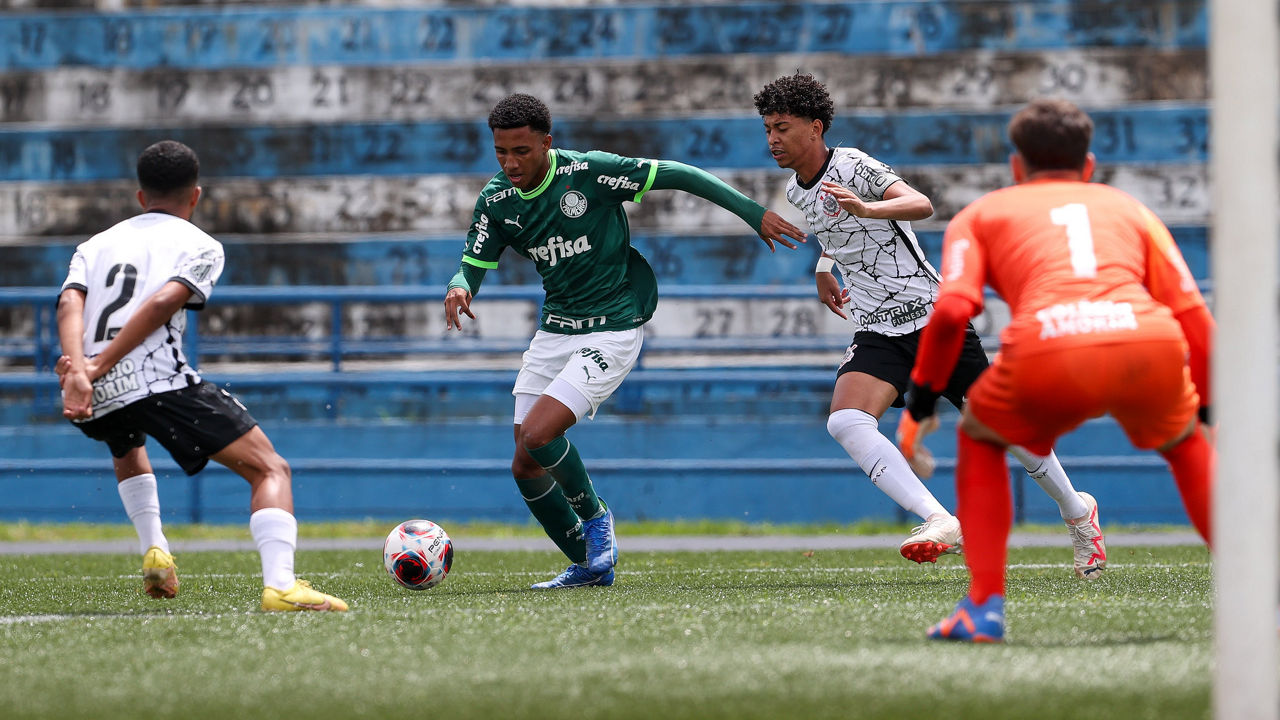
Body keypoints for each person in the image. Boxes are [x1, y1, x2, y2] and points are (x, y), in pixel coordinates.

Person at [444, 93, 806, 589]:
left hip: (612, 327)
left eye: (521, 151)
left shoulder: (589, 173)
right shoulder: (497, 200)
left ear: (546, 143)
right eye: (501, 152)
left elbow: (679, 174)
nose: (510, 163)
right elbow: (474, 260)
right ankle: (591, 565)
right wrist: (460, 285)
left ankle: (597, 519)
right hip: (555, 330)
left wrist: (752, 212)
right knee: (525, 464)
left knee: (539, 435)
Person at [753, 73, 1106, 574]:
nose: (772, 139)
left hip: (931, 318)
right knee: (846, 420)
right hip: (877, 326)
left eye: (782, 128)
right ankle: (939, 519)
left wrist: (869, 206)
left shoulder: (852, 164)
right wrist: (824, 268)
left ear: (815, 127)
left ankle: (1077, 511)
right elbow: (837, 231)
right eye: (767, 129)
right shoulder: (797, 190)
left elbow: (920, 203)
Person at [898, 98, 1214, 642]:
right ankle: (1263, 592)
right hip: (1145, 343)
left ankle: (983, 608)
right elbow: (1197, 321)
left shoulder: (982, 214)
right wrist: (1206, 410)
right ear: (1088, 165)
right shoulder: (1130, 209)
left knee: (980, 436)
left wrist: (921, 402)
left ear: (1016, 165)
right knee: (1186, 445)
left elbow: (949, 314)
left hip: (1048, 348)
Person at [56, 140, 347, 612]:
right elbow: (161, 303)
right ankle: (281, 586)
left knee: (126, 443)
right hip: (151, 378)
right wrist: (99, 364)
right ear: (196, 195)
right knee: (269, 468)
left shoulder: (95, 244)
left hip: (92, 390)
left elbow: (70, 302)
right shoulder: (201, 245)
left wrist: (81, 370)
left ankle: (155, 549)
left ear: (140, 196)